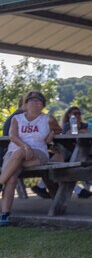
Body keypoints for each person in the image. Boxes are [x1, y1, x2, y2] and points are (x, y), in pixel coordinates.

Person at [0, 92, 55, 226]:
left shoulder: (48, 119)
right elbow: (12, 136)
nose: (35, 103)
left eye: (38, 101)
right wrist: (25, 147)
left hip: (38, 153)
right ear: (25, 104)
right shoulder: (17, 119)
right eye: (31, 101)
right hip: (14, 152)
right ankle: (5, 215)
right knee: (12, 178)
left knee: (17, 156)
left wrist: (52, 132)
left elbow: (58, 129)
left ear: (43, 105)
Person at [59, 106, 92, 199]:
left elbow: (91, 133)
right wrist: (81, 131)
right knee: (81, 161)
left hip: (88, 152)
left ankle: (86, 183)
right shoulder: (67, 125)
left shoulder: (85, 125)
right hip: (70, 153)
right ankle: (86, 181)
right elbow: (69, 134)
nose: (77, 115)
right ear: (69, 115)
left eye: (79, 113)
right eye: (74, 113)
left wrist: (80, 131)